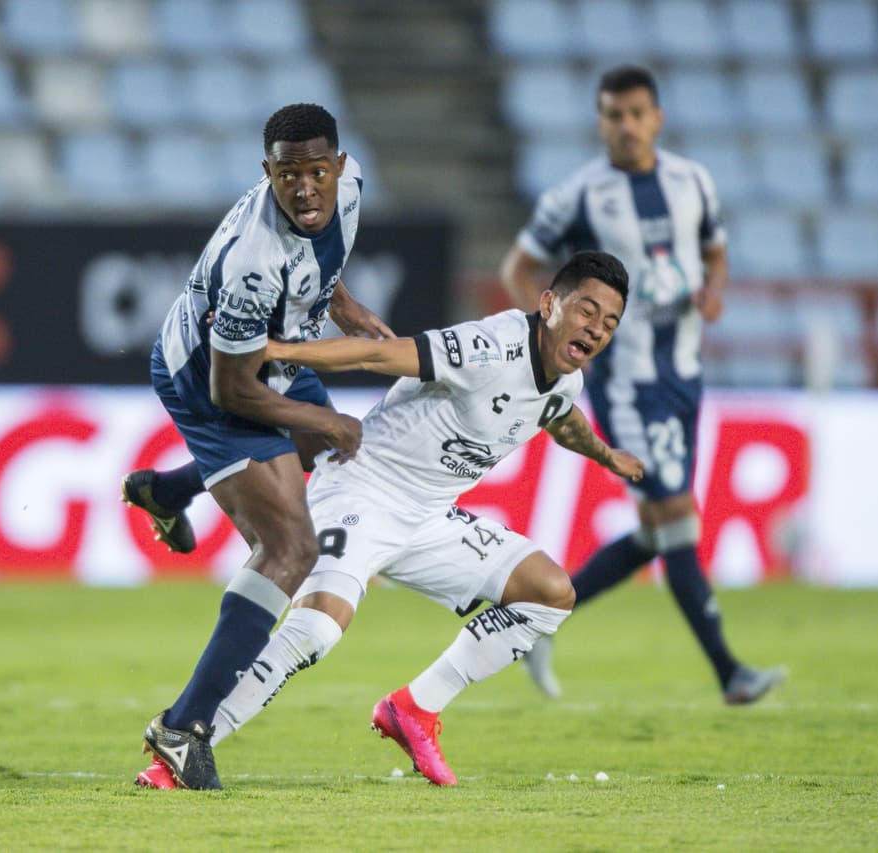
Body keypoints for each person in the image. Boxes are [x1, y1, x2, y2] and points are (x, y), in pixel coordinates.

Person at [137, 250, 642, 789]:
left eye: (609, 323)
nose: (597, 329)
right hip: (362, 487)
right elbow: (380, 356)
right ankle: (184, 747)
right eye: (587, 311)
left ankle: (414, 709)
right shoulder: (489, 347)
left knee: (549, 593)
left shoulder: (566, 380)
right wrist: (280, 350)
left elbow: (563, 420)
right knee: (316, 630)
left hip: (428, 519)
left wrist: (608, 457)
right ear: (549, 304)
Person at [499, 65, 785, 705]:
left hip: (685, 373)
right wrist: (559, 346)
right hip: (626, 383)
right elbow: (518, 269)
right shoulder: (577, 196)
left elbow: (714, 248)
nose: (625, 126)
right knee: (677, 518)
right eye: (612, 115)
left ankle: (543, 619)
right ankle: (730, 672)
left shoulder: (692, 182)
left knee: (660, 530)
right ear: (600, 122)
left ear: (656, 117)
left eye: (635, 114)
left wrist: (714, 290)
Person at [133, 103, 393, 791]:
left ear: (339, 166)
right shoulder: (253, 262)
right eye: (287, 176)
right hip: (209, 375)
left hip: (274, 349)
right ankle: (182, 727)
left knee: (311, 453)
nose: (304, 189)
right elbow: (233, 391)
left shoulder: (352, 188)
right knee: (289, 548)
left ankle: (168, 489)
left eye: (316, 172)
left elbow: (319, 269)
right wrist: (330, 421)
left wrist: (348, 308)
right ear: (266, 173)